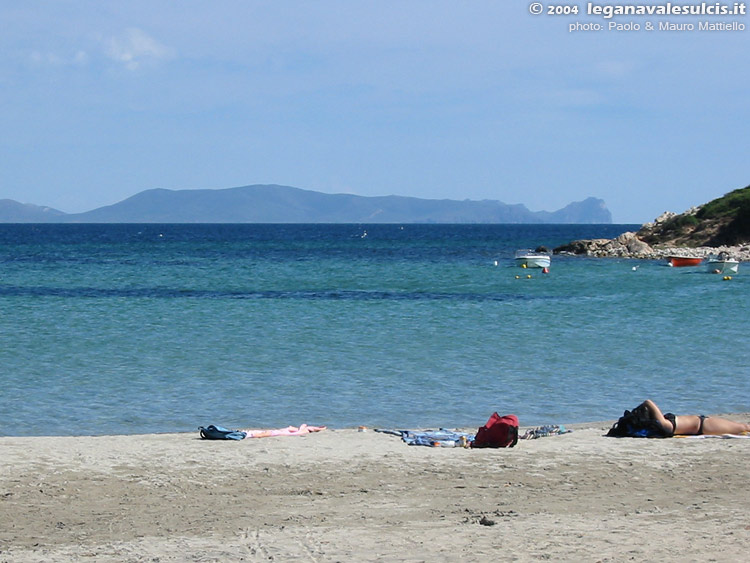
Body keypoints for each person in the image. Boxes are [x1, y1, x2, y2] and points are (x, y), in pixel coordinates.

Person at [640, 399, 750, 436]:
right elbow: (648, 403)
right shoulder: (664, 426)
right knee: (742, 428)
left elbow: (648, 402)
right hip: (703, 425)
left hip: (704, 425)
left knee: (743, 427)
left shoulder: (665, 426)